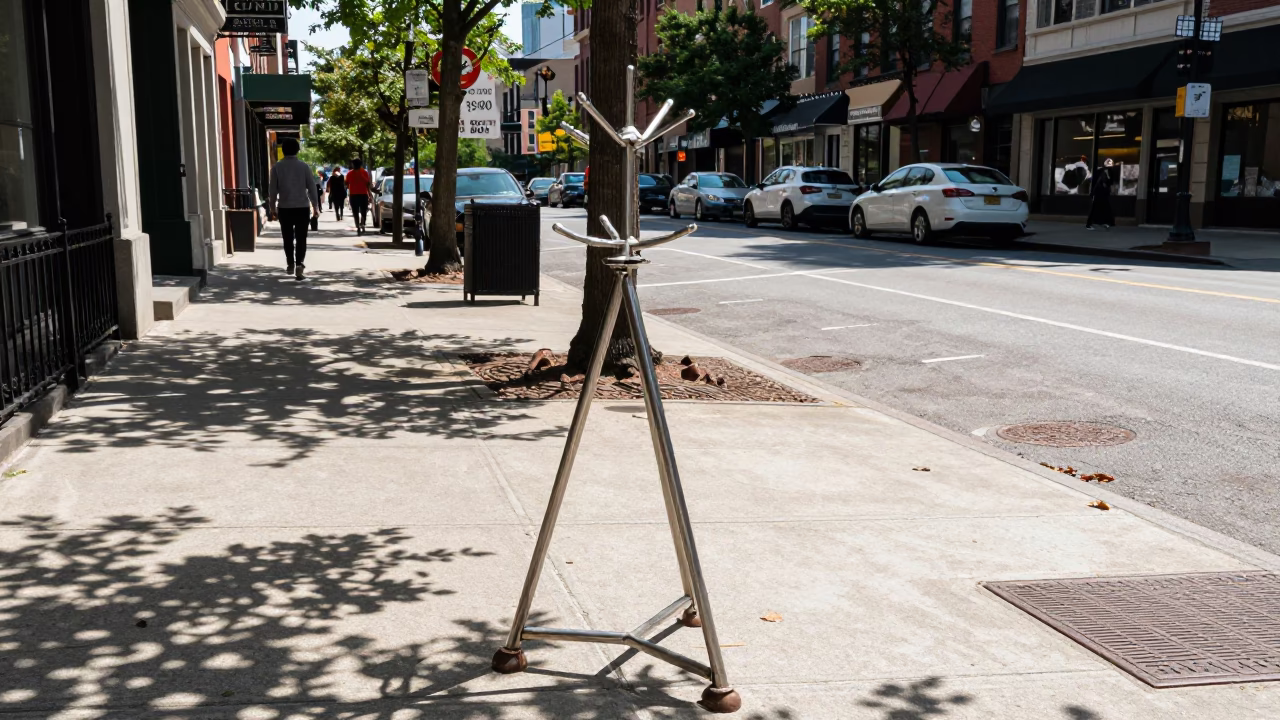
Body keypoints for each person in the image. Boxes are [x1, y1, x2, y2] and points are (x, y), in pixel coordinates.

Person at [267, 137, 320, 279]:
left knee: (287, 237)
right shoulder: (304, 167)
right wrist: (315, 206)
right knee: (302, 237)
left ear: (283, 150)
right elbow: (312, 188)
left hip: (284, 208)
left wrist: (272, 208)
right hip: (302, 207)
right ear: (297, 150)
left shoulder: (277, 167)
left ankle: (290, 262)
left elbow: (272, 191)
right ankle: (299, 264)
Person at [345, 159, 373, 235]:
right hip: (357, 195)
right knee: (357, 212)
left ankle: (361, 224)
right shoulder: (351, 173)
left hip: (359, 195)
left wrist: (369, 195)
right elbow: (347, 184)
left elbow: (367, 183)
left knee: (361, 211)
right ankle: (359, 226)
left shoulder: (363, 173)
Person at [1085, 165, 1114, 231]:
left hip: (1102, 194)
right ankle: (1089, 224)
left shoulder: (1106, 172)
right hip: (1099, 194)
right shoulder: (1101, 173)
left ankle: (1103, 222)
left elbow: (1108, 182)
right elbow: (1100, 183)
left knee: (1103, 208)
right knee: (1095, 208)